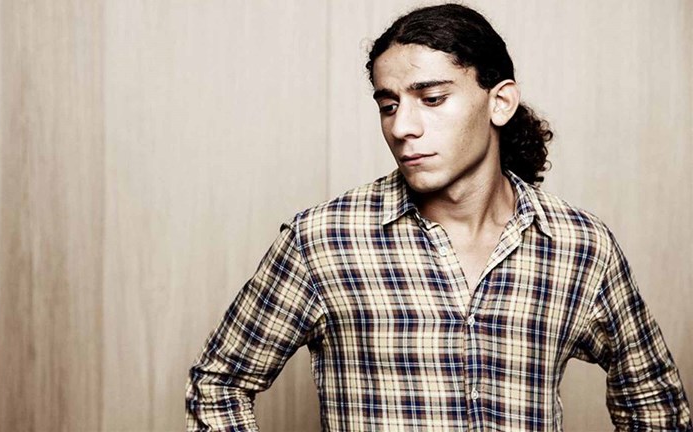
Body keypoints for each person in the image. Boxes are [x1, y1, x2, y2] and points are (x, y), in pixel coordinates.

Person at [186, 4, 691, 431]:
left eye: (431, 99)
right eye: (388, 105)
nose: (402, 127)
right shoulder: (321, 241)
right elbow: (218, 384)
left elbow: (655, 404)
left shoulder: (580, 246)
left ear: (500, 102)